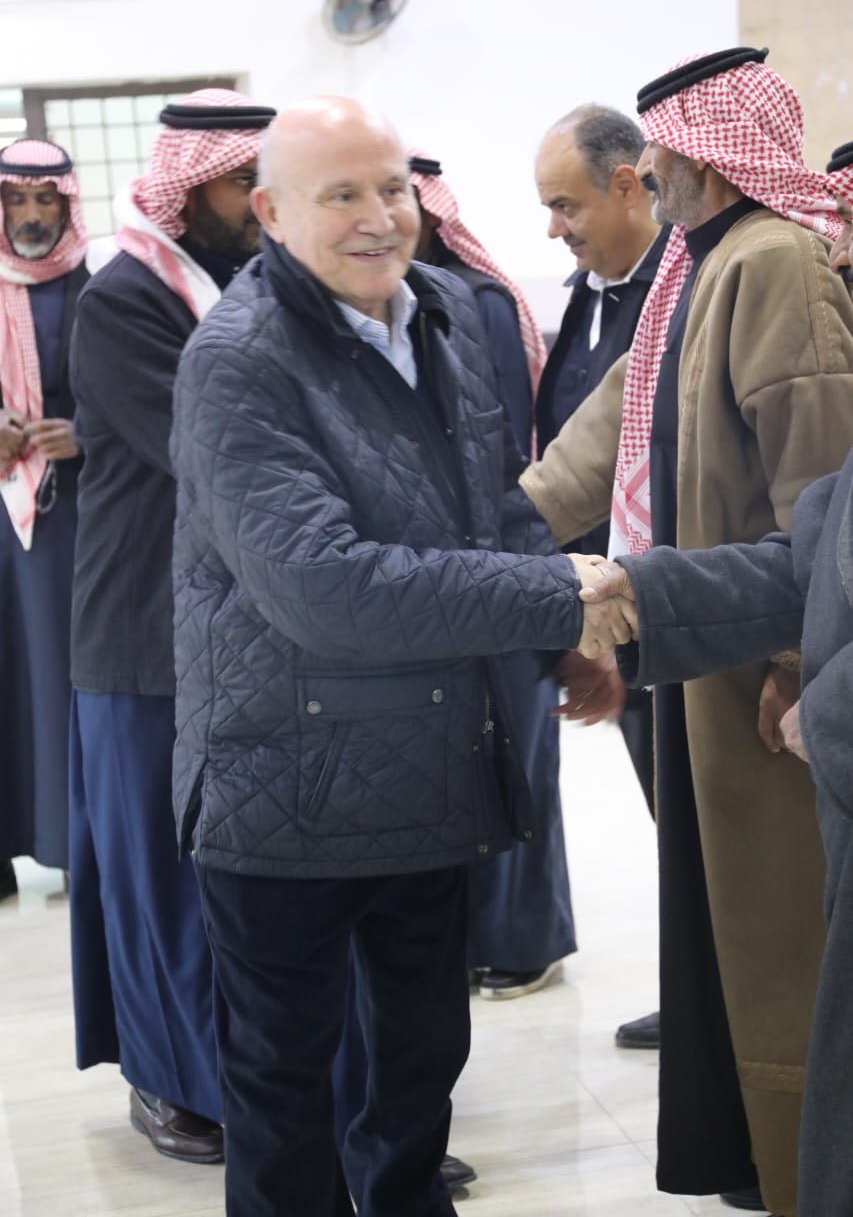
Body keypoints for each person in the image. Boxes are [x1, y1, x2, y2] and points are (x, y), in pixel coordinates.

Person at [169, 95, 631, 1217]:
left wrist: (557, 635)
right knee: (284, 1095)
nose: (380, 218)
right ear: (270, 213)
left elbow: (489, 505)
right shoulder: (235, 359)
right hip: (283, 786)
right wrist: (552, 596)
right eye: (342, 195)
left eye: (392, 189)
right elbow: (324, 588)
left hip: (428, 769)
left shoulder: (445, 314)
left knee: (421, 1070)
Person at [520, 48, 853, 1215]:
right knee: (721, 923)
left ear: (708, 159)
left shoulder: (774, 262)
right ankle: (750, 1152)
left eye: (661, 161)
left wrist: (798, 663)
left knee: (776, 924)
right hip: (696, 643)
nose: (649, 179)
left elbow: (817, 482)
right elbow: (600, 437)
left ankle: (801, 1163)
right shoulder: (689, 272)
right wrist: (493, 541)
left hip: (765, 665)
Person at [68, 89, 275, 1163]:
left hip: (237, 630)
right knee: (157, 875)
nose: (259, 204)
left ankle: (265, 1088)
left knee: (231, 884)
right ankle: (169, 1081)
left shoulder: (254, 285)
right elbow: (207, 451)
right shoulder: (125, 299)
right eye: (243, 184)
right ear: (187, 189)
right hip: (141, 635)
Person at [408, 150, 575, 1001]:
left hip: (500, 559)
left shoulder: (477, 302)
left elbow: (504, 451)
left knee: (519, 751)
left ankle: (524, 938)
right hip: (426, 578)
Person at [534, 105, 668, 1049]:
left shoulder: (682, 289)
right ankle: (699, 992)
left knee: (708, 824)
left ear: (626, 184)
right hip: (603, 609)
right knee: (668, 814)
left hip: (677, 602)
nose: (555, 228)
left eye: (565, 205)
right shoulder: (588, 294)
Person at [0, 139, 88, 900]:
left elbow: (138, 388)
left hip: (68, 515)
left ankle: (67, 840)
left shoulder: (99, 285)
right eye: (16, 201)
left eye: (45, 201)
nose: (31, 217)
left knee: (52, 668)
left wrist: (85, 432)